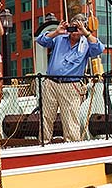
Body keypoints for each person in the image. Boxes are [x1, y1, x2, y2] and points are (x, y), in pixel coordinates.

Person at [35, 13, 104, 142]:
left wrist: (85, 33)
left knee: (70, 119)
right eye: (73, 28)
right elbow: (41, 40)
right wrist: (56, 32)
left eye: (78, 28)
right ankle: (43, 144)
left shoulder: (87, 44)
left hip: (71, 86)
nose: (75, 32)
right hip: (51, 83)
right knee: (46, 117)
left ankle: (72, 146)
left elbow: (99, 49)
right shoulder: (60, 38)